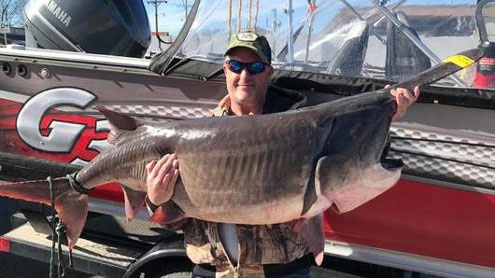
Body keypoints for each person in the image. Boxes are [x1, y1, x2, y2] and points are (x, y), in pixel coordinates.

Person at [145, 31, 420, 278]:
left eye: (254, 67)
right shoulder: (195, 137)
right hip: (213, 270)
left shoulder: (302, 131)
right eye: (236, 66)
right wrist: (155, 199)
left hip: (282, 272)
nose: (244, 76)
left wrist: (387, 115)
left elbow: (355, 160)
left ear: (269, 73)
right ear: (225, 71)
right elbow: (176, 222)